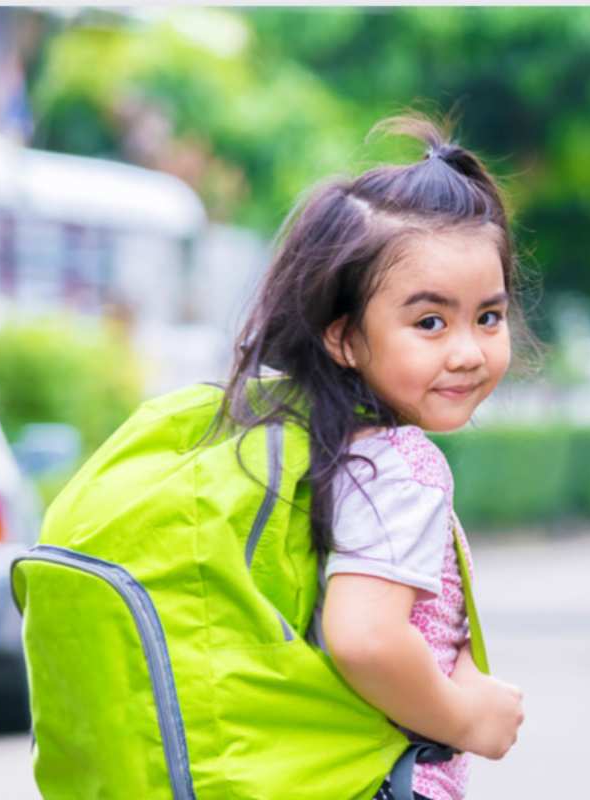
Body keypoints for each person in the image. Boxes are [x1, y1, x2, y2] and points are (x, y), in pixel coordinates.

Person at [218, 114, 527, 800]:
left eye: (488, 316)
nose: (469, 350)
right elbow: (363, 638)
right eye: (429, 322)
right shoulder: (399, 467)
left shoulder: (306, 443)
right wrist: (467, 719)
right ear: (345, 339)